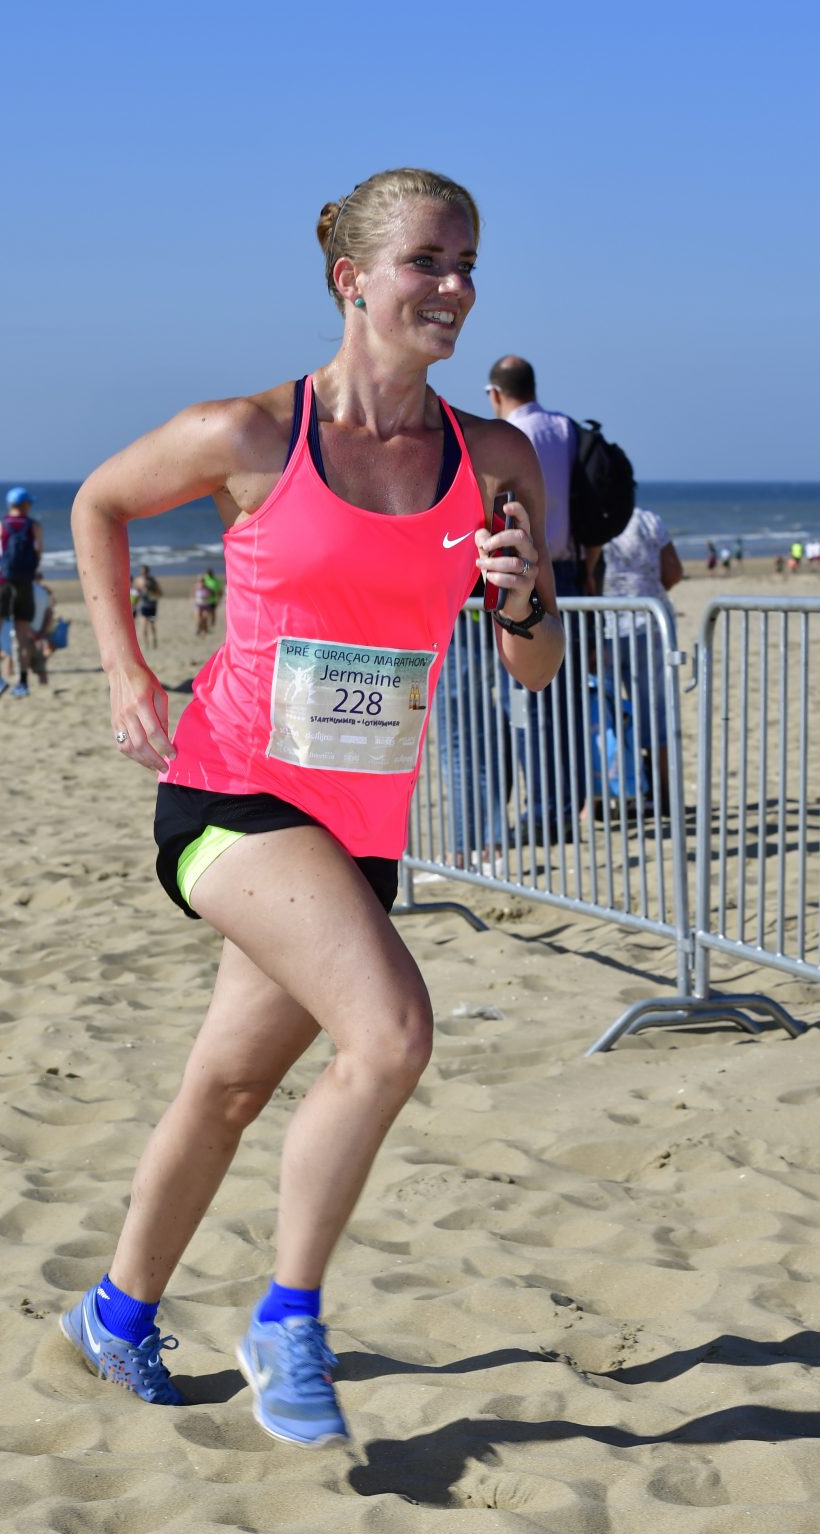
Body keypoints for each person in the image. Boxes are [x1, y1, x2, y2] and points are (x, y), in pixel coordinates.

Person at [65, 167, 564, 1448]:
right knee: (392, 1032)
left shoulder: (489, 456)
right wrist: (128, 670)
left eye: (466, 264)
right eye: (426, 263)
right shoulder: (249, 435)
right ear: (352, 278)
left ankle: (115, 1317)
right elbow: (100, 503)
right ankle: (288, 1316)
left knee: (227, 1090)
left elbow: (531, 666)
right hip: (230, 796)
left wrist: (518, 593)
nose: (452, 288)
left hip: (359, 834)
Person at [482, 355, 585, 841]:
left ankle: (544, 812)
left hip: (527, 566)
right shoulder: (567, 429)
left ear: (495, 394)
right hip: (572, 564)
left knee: (525, 698)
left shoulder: (505, 441)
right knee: (568, 698)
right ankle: (565, 805)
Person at [586, 507, 683, 803]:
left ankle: (614, 791)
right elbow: (672, 573)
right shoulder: (648, 520)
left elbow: (588, 576)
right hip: (651, 624)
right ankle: (666, 793)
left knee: (606, 713)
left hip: (606, 628)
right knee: (656, 712)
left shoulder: (592, 520)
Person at [0, 487, 43, 701]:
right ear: (25, 504)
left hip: (3, 582)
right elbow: (38, 554)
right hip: (24, 583)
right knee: (23, 634)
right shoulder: (34, 526)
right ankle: (23, 682)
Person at [134, 564, 162, 650]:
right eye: (142, 572)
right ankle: (146, 645)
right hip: (144, 607)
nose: (144, 573)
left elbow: (160, 593)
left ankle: (154, 641)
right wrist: (134, 603)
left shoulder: (152, 581)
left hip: (152, 607)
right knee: (143, 626)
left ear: (148, 572)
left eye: (145, 572)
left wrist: (151, 591)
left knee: (152, 625)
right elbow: (135, 594)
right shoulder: (138, 581)